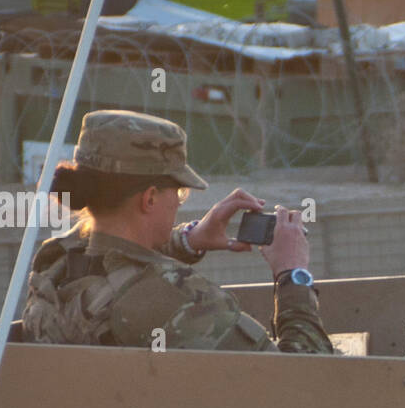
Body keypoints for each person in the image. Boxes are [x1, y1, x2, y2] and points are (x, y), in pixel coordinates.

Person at [22, 109, 333, 354]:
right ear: (150, 198)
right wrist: (292, 275)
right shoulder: (186, 300)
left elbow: (116, 260)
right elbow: (303, 379)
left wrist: (188, 239)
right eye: (180, 193)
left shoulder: (55, 261)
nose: (179, 204)